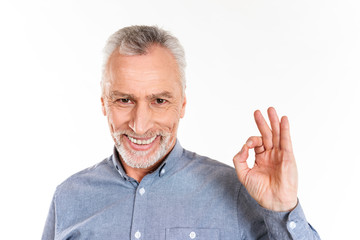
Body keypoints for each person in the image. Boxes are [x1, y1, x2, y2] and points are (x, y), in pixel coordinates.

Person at [42, 25, 320, 240]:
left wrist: (283, 209)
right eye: (124, 100)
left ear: (182, 105)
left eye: (159, 101)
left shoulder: (236, 192)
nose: (140, 125)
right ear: (104, 103)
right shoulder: (68, 198)